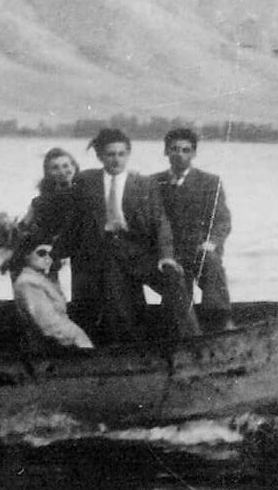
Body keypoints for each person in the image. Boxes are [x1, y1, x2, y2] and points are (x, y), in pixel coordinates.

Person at [54, 128, 199, 342]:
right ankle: (129, 344)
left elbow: (160, 222)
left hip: (138, 252)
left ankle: (192, 339)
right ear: (100, 156)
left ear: (128, 155)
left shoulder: (144, 184)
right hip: (106, 253)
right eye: (110, 154)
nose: (116, 160)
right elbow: (71, 219)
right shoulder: (87, 181)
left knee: (174, 278)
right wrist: (55, 253)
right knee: (119, 303)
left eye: (121, 154)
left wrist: (166, 256)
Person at [152, 128, 234, 330]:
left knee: (211, 266)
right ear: (166, 152)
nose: (179, 154)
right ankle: (187, 331)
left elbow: (222, 220)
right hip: (171, 253)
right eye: (174, 149)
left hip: (200, 249)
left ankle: (219, 320)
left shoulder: (210, 182)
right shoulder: (153, 182)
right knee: (177, 295)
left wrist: (212, 243)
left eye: (186, 150)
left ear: (194, 154)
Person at [0, 147, 80, 278]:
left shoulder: (86, 195)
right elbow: (24, 229)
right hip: (43, 256)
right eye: (55, 168)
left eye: (66, 166)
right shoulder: (40, 202)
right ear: (48, 172)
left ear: (74, 167)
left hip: (71, 257)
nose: (62, 171)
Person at [6, 236, 93, 354]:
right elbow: (49, 324)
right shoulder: (29, 283)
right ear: (26, 255)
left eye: (51, 254)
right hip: (48, 349)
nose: (47, 257)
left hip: (58, 342)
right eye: (41, 253)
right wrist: (80, 338)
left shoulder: (43, 279)